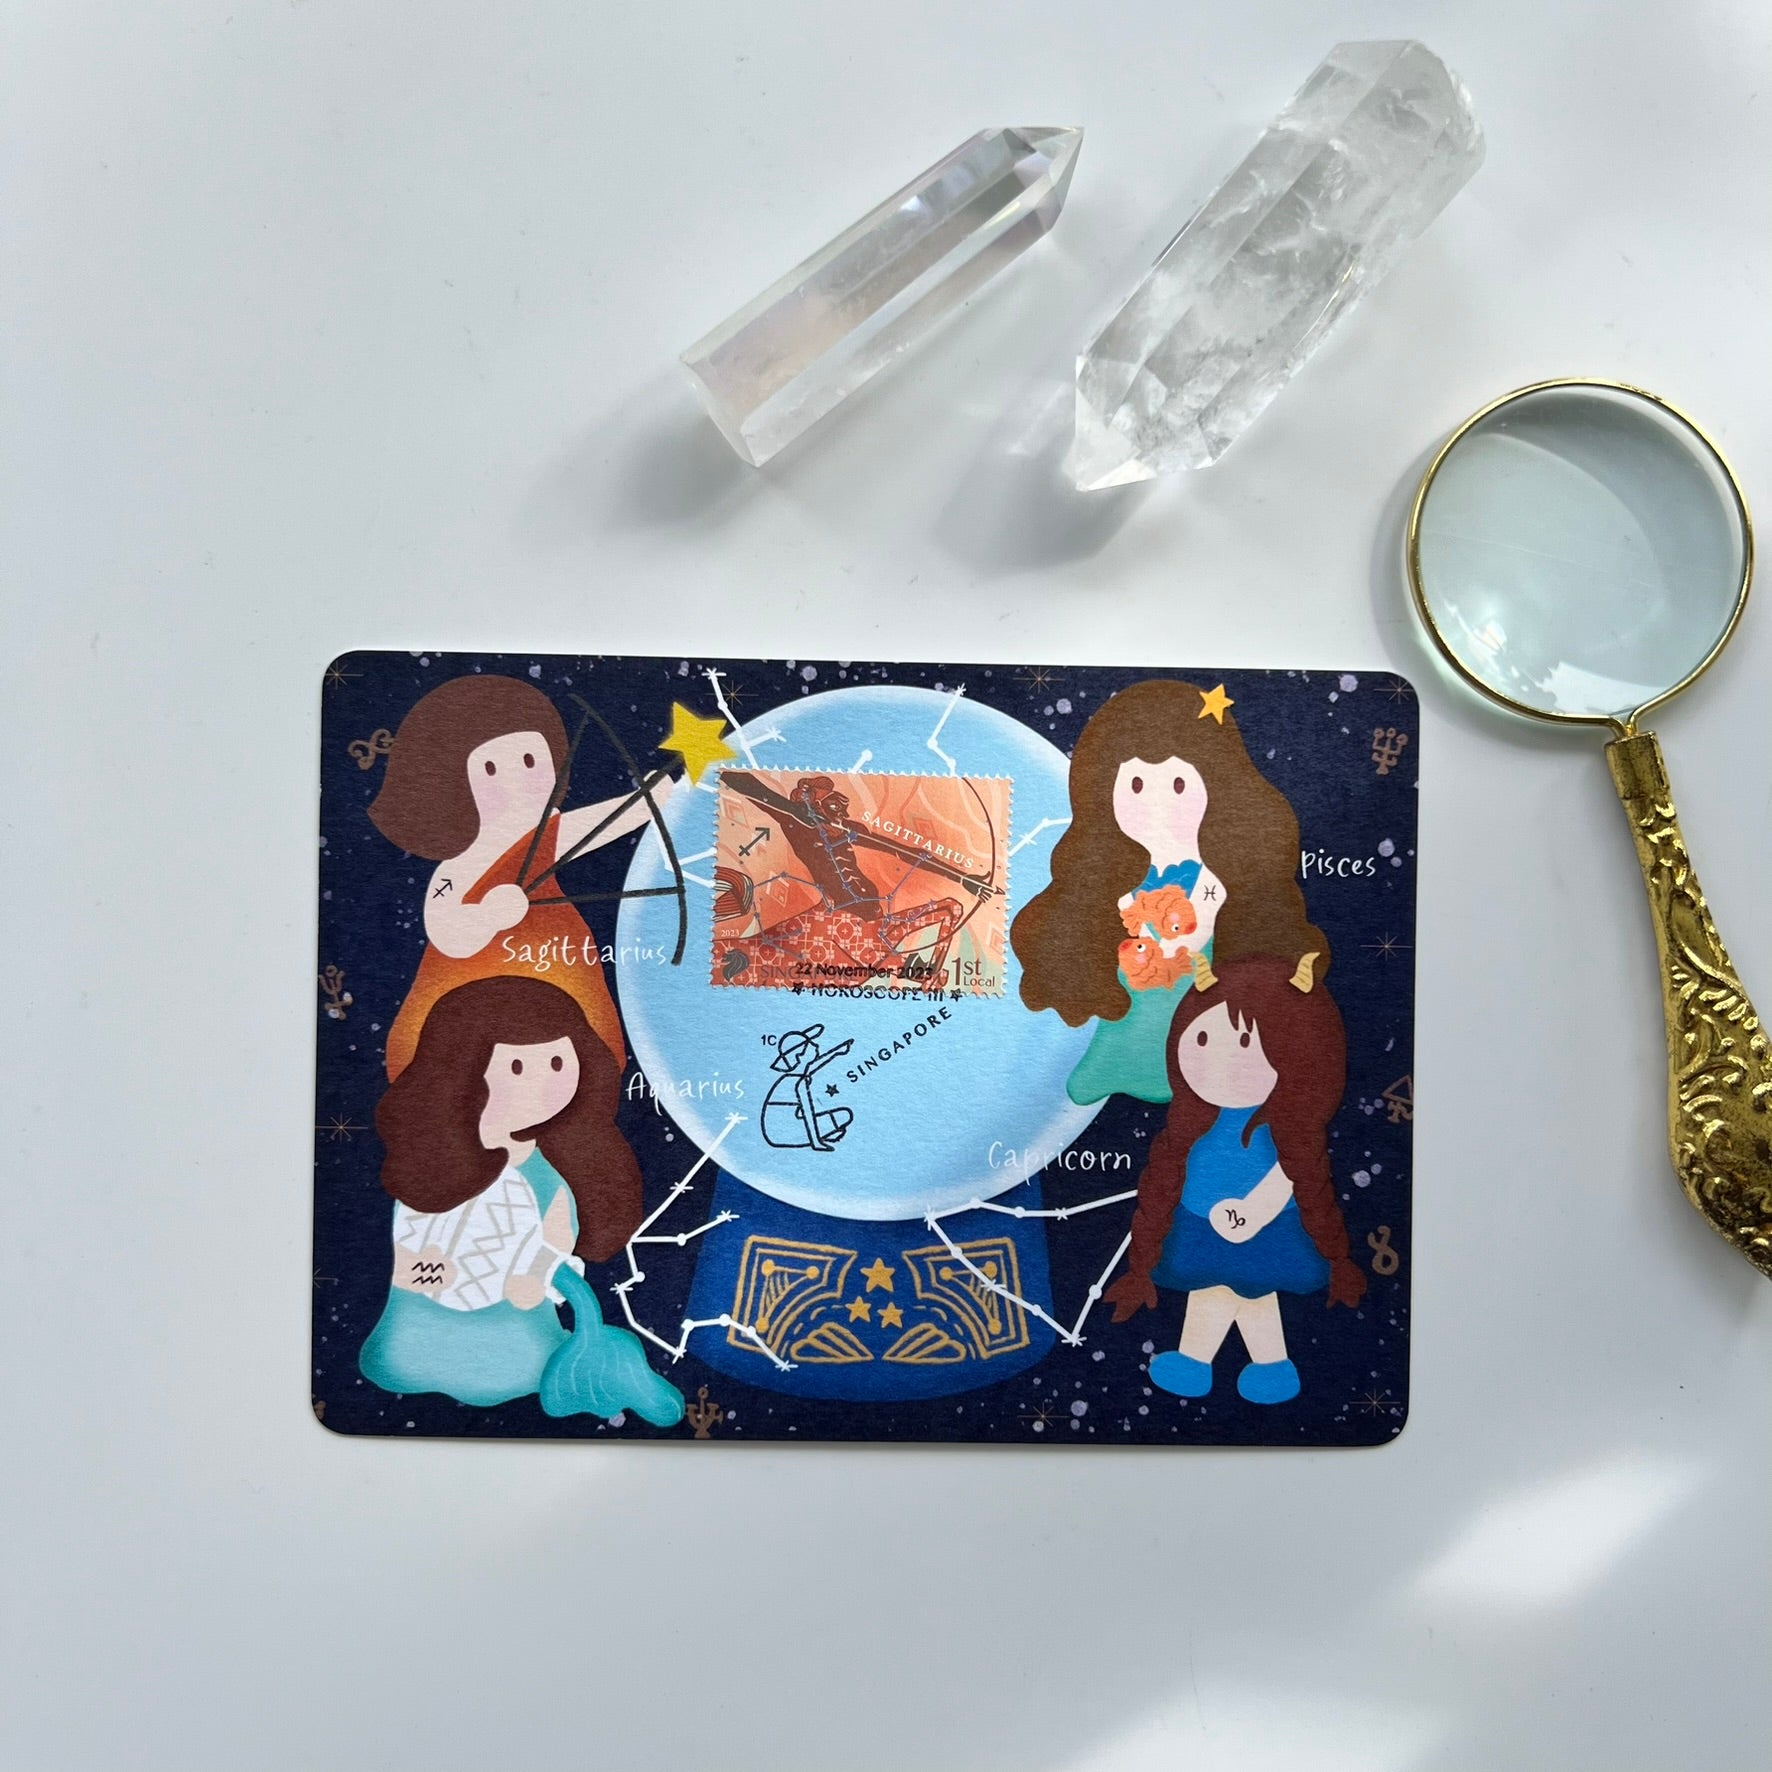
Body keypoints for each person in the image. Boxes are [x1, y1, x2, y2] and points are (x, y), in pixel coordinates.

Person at [359, 974, 681, 1424]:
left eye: (557, 1062)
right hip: (419, 1327)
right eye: (516, 1067)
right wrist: (413, 1266)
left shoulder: (550, 1177)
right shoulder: (433, 1163)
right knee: (403, 1355)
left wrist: (535, 1278)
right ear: (463, 1067)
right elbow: (406, 1229)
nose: (544, 1083)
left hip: (511, 1334)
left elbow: (555, 1242)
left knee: (517, 1361)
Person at [1013, 678, 1327, 1104]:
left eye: (1178, 785)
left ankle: (1184, 1073)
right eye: (1136, 786)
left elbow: (1217, 914)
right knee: (1126, 1015)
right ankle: (1115, 1066)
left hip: (1200, 1002)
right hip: (1132, 995)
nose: (1155, 806)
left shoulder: (1222, 875)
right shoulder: (1109, 876)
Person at [367, 673, 674, 1079]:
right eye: (490, 769)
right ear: (457, 787)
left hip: (555, 965)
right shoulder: (459, 865)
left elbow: (602, 824)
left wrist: (651, 798)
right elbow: (444, 924)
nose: (515, 780)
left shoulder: (545, 834)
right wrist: (487, 916)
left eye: (530, 761)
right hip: (480, 977)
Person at [1103, 954, 1366, 1404]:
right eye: (1203, 1038)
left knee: (1253, 1293)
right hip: (1200, 1219)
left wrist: (1254, 1211)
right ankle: (1202, 1361)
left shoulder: (1283, 1124)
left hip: (1264, 1224)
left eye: (1244, 1042)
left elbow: (1292, 1170)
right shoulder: (1194, 1119)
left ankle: (1266, 1363)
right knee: (1211, 1287)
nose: (1216, 1061)